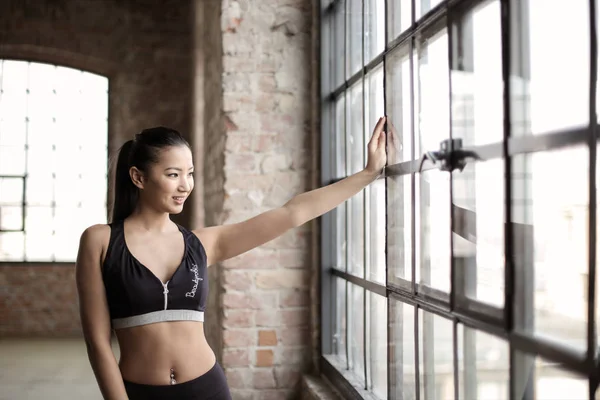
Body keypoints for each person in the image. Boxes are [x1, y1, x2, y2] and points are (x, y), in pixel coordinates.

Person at [75, 117, 388, 400]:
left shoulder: (203, 244)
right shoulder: (100, 241)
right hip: (138, 392)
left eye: (190, 173)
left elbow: (292, 213)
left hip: (207, 388)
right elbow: (98, 342)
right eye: (173, 174)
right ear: (138, 177)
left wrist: (367, 174)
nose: (185, 185)